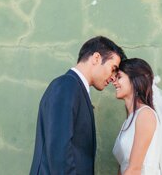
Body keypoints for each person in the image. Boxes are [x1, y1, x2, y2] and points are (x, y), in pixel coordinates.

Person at [30, 36, 126, 175]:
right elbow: (59, 151)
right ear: (96, 58)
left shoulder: (75, 88)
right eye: (113, 68)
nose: (113, 78)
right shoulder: (67, 86)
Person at [112, 58, 162, 175]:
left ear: (135, 80)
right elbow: (124, 167)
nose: (114, 81)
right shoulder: (129, 119)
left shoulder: (145, 115)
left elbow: (134, 169)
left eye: (119, 77)